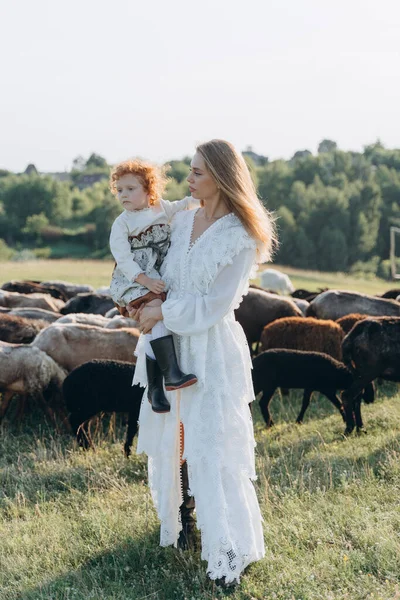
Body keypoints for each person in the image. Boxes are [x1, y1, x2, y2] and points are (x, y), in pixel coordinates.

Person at [133, 140, 278, 586]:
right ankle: (180, 525)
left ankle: (226, 554)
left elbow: (215, 304)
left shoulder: (242, 235)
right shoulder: (180, 220)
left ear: (220, 176)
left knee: (212, 448)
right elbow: (144, 248)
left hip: (210, 348)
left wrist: (162, 311)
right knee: (171, 443)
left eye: (197, 172)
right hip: (167, 348)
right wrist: (140, 301)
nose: (189, 179)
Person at [109, 159, 198, 414]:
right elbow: (123, 259)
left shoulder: (160, 208)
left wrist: (200, 202)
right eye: (119, 190)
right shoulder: (122, 223)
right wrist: (145, 280)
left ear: (149, 191)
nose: (123, 194)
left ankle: (155, 388)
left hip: (155, 275)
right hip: (133, 280)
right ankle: (170, 374)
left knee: (154, 325)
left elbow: (183, 206)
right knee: (156, 312)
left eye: (130, 189)